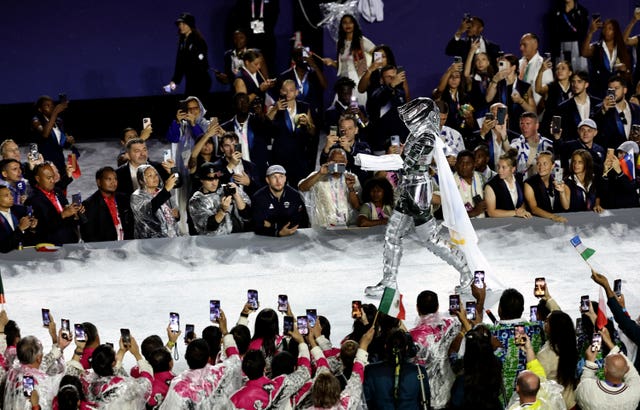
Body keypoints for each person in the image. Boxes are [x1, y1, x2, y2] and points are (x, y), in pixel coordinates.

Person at [364, 98, 475, 297]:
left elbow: (408, 163)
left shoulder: (426, 137)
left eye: (413, 114)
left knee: (430, 238)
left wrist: (377, 162)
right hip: (409, 188)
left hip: (418, 193)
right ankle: (389, 282)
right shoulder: (418, 133)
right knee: (392, 234)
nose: (408, 118)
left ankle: (467, 271)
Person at [160, 311, 243, 409]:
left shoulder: (178, 385)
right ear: (208, 358)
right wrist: (225, 332)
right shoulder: (221, 372)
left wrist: (170, 343)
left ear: (186, 357)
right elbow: (235, 359)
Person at [230, 330, 311, 409]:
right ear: (265, 368)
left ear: (244, 369)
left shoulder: (235, 399)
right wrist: (302, 343)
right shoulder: (281, 385)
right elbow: (304, 372)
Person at [409, 290, 461, 409]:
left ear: (417, 308)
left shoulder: (411, 336)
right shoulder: (452, 326)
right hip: (448, 391)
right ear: (437, 307)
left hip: (423, 394)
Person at [575, 326, 640, 410]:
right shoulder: (635, 392)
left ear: (605, 370)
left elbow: (584, 383)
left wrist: (590, 361)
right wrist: (609, 342)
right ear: (626, 370)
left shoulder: (589, 391)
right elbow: (632, 372)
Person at [363, 329, 431, 409]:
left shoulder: (370, 370)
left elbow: (366, 402)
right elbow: (425, 400)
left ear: (385, 346)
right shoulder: (419, 371)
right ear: (406, 348)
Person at [267, 79, 316, 187]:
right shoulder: (274, 107)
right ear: (280, 91)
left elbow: (312, 131)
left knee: (300, 188)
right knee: (279, 187)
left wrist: (308, 124)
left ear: (296, 92)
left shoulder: (304, 107)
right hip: (280, 157)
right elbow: (265, 126)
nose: (288, 93)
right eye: (285, 90)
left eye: (291, 90)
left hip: (299, 157)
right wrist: (275, 109)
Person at [298, 148, 361, 228]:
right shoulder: (318, 176)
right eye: (334, 161)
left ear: (346, 162)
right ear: (328, 161)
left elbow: (357, 206)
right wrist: (320, 174)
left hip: (346, 225)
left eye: (341, 161)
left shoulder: (352, 178)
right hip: (322, 226)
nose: (337, 164)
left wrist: (351, 188)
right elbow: (302, 188)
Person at [321, 14, 375, 105]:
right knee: (339, 108)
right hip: (344, 81)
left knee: (358, 106)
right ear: (341, 26)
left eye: (350, 22)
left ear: (355, 24)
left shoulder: (361, 40)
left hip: (358, 79)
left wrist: (372, 69)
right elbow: (343, 66)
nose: (348, 25)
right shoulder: (340, 43)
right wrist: (331, 62)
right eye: (344, 23)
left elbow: (378, 53)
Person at [25, 163, 83, 244]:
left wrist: (76, 213)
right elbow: (41, 229)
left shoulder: (58, 191)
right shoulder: (32, 201)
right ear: (38, 179)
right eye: (49, 178)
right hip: (52, 248)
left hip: (71, 241)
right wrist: (63, 215)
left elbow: (69, 217)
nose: (52, 180)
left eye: (53, 177)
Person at [450, 324, 504, 410]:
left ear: (468, 351)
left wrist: (462, 331)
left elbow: (452, 352)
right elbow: (499, 347)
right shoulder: (497, 364)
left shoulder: (461, 375)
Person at [188, 162, 251, 235]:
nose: (214, 183)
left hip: (237, 238)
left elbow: (247, 216)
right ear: (201, 179)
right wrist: (222, 211)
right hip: (213, 243)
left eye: (216, 179)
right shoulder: (196, 200)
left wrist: (237, 196)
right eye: (210, 180)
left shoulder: (228, 189)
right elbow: (209, 226)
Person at [221, 92, 272, 181]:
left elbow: (271, 132)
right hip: (236, 171)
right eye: (240, 102)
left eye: (246, 102)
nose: (243, 104)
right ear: (234, 105)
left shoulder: (259, 121)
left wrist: (261, 116)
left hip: (258, 171)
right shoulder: (226, 127)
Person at [536, 309, 579, 408]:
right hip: (572, 401)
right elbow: (563, 320)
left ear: (554, 327)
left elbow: (538, 381)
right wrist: (548, 298)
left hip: (556, 404)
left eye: (547, 321)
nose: (544, 323)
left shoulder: (545, 355)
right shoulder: (571, 344)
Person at [581, 17, 633, 99]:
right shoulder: (597, 48)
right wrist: (590, 32)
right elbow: (584, 53)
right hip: (599, 91)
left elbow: (628, 71)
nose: (606, 31)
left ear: (615, 32)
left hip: (617, 90)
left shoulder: (622, 50)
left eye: (610, 28)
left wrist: (624, 68)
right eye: (604, 28)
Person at [252, 164, 309, 237]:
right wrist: (277, 232)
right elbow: (257, 226)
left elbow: (299, 222)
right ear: (267, 180)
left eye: (281, 176)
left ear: (285, 178)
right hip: (266, 239)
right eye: (274, 177)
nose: (278, 181)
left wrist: (271, 225)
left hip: (292, 237)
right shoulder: (258, 197)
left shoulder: (294, 195)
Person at [486, 54, 536, 134]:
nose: (502, 67)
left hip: (518, 129)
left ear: (513, 67)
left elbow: (533, 111)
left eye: (504, 64)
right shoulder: (496, 83)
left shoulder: (525, 86)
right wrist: (495, 80)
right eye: (500, 64)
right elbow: (488, 99)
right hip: (499, 128)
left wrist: (521, 101)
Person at [165, 12, 211, 100]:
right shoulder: (182, 42)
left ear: (190, 25)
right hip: (191, 81)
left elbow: (202, 63)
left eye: (184, 24)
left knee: (198, 108)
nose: (181, 26)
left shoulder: (198, 41)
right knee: (189, 106)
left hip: (201, 81)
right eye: (180, 24)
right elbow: (180, 64)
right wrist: (175, 81)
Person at [80, 166, 133, 242]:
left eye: (115, 179)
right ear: (99, 182)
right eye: (109, 179)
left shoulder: (124, 199)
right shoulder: (89, 205)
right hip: (105, 250)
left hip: (127, 246)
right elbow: (88, 235)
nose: (113, 182)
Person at [277, 45, 327, 122]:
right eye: (300, 56)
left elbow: (324, 85)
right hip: (291, 118)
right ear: (294, 60)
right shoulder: (285, 76)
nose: (304, 59)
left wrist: (314, 66)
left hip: (312, 118)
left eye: (305, 55)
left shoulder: (314, 74)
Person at [366, 65, 409, 154]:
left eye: (394, 77)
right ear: (381, 80)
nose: (393, 79)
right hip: (381, 144)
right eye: (389, 77)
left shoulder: (400, 93)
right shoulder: (376, 93)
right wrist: (391, 85)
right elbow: (379, 100)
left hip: (399, 142)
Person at [30, 95, 77, 175]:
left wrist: (68, 141)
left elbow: (61, 144)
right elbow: (45, 134)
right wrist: (55, 113)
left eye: (52, 105)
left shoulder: (58, 121)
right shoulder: (36, 120)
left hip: (58, 161)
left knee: (62, 185)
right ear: (40, 109)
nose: (51, 107)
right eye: (47, 105)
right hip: (43, 164)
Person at [320, 114, 372, 185]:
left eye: (350, 128)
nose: (346, 132)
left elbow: (368, 161)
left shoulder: (363, 146)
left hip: (361, 186)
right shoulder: (334, 147)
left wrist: (350, 150)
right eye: (343, 129)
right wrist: (326, 148)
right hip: (339, 186)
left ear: (356, 130)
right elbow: (324, 167)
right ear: (339, 131)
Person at [130, 165, 180, 239]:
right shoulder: (137, 196)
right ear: (141, 181)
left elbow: (173, 217)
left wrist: (177, 215)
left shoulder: (162, 192)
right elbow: (148, 211)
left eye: (156, 174)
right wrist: (165, 190)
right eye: (150, 175)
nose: (155, 177)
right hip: (151, 240)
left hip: (171, 238)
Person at [593, 75, 640, 149]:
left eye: (616, 88)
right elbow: (593, 128)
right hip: (611, 155)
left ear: (625, 90)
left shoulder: (636, 109)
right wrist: (603, 111)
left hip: (632, 155)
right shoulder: (600, 108)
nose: (613, 92)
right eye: (610, 89)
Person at [556, 70, 602, 142]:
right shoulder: (563, 107)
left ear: (586, 84)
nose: (575, 85)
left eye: (579, 81)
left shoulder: (598, 104)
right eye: (573, 82)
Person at [212, 131, 261, 197]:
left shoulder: (251, 166)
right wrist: (231, 165)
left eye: (234, 145)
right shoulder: (216, 166)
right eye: (227, 146)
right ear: (222, 148)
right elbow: (216, 183)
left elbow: (260, 190)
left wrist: (249, 183)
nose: (232, 149)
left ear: (239, 146)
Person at [484, 150, 531, 218]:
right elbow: (491, 212)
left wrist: (522, 210)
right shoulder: (491, 186)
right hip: (498, 225)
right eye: (498, 166)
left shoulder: (519, 179)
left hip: (517, 223)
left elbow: (522, 202)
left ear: (513, 169)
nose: (499, 170)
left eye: (503, 167)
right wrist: (515, 213)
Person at [472, 103, 519, 169]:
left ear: (506, 116)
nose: (496, 117)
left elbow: (515, 159)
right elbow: (473, 155)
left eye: (499, 114)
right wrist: (483, 133)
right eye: (493, 114)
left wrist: (503, 134)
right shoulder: (478, 135)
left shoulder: (515, 137)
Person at [524, 151, 567, 223]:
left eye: (545, 164)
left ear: (553, 165)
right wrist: (553, 217)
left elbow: (566, 207)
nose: (541, 167)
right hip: (537, 222)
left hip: (558, 220)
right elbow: (534, 209)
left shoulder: (557, 181)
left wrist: (562, 192)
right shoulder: (529, 183)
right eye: (538, 163)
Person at [510, 112, 554, 181]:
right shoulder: (516, 144)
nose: (524, 127)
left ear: (537, 125)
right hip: (522, 186)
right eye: (522, 124)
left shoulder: (548, 144)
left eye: (528, 124)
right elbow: (509, 155)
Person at [549, 0, 590, 71]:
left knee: (579, 75)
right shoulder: (555, 12)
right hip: (560, 49)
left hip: (578, 49)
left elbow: (583, 33)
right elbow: (554, 34)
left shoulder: (582, 11)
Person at [535, 59, 573, 134]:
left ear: (570, 73)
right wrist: (541, 71)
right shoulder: (551, 87)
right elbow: (538, 89)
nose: (559, 71)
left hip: (567, 128)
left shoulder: (574, 88)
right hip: (549, 127)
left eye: (563, 68)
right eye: (557, 69)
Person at [518, 33, 554, 106]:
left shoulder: (544, 65)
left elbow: (547, 94)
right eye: (520, 45)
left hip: (535, 114)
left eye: (524, 45)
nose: (521, 48)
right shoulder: (518, 64)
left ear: (535, 45)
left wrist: (536, 114)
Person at [0, 185, 37, 252]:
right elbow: (3, 247)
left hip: (25, 255)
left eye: (11, 194)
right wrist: (20, 228)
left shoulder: (20, 211)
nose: (11, 197)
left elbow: (29, 239)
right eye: (6, 195)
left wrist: (32, 228)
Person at [463, 39, 494, 118]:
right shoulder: (472, 79)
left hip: (492, 115)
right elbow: (466, 74)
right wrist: (471, 51)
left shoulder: (493, 79)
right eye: (477, 60)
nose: (480, 62)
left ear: (488, 62)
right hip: (476, 116)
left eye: (483, 59)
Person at [453, 150, 487, 218]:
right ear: (456, 165)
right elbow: (451, 214)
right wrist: (474, 212)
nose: (464, 166)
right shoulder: (451, 182)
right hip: (462, 225)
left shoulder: (482, 178)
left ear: (474, 164)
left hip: (483, 224)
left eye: (468, 163)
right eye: (461, 163)